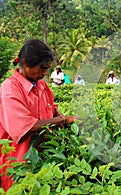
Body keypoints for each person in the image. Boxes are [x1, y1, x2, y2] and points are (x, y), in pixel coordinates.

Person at [0, 39, 79, 191]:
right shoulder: (10, 88)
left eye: (47, 69)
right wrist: (63, 119)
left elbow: (53, 110)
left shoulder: (42, 86)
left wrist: (65, 121)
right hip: (18, 165)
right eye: (42, 68)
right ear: (25, 63)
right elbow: (23, 127)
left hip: (43, 164)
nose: (44, 73)